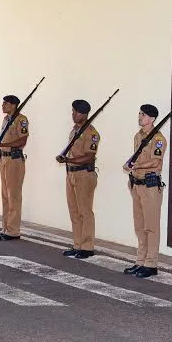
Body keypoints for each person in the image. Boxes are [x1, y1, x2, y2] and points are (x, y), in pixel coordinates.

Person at [122, 104, 167, 278]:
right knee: (139, 226)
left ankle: (151, 263)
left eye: (143, 115)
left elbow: (156, 162)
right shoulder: (137, 136)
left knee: (151, 226)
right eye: (139, 113)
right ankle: (140, 260)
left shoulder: (158, 139)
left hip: (150, 186)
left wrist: (136, 165)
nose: (140, 117)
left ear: (152, 119)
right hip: (137, 184)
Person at [56, 99, 100, 259]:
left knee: (85, 211)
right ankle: (77, 244)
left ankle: (87, 247)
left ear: (85, 114)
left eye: (76, 112)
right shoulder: (75, 130)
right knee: (74, 211)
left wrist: (68, 161)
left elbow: (89, 157)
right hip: (71, 174)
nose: (73, 114)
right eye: (72, 111)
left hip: (84, 175)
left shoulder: (91, 133)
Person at [0, 95, 28, 240]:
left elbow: (22, 140)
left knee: (13, 196)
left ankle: (13, 231)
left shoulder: (21, 120)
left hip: (14, 159)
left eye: (6, 103)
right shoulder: (6, 119)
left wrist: (3, 146)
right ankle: (5, 228)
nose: (3, 105)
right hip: (5, 158)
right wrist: (1, 154)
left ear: (13, 105)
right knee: (5, 195)